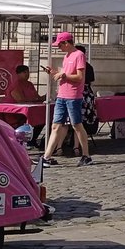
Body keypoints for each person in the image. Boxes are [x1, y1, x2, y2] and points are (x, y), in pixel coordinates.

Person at [42, 32, 91, 167]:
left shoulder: (79, 55)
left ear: (66, 43)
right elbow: (66, 74)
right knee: (55, 125)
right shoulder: (67, 56)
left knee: (76, 125)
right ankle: (46, 157)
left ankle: (86, 155)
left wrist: (63, 75)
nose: (58, 47)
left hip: (73, 96)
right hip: (62, 95)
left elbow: (80, 77)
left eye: (59, 45)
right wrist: (54, 72)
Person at [5, 64, 45, 147]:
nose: (27, 74)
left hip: (32, 109)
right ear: (18, 74)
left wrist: (45, 97)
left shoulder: (30, 84)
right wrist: (34, 100)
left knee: (43, 119)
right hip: (17, 112)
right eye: (24, 72)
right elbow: (20, 100)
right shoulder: (15, 85)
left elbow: (37, 97)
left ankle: (33, 140)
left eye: (28, 72)